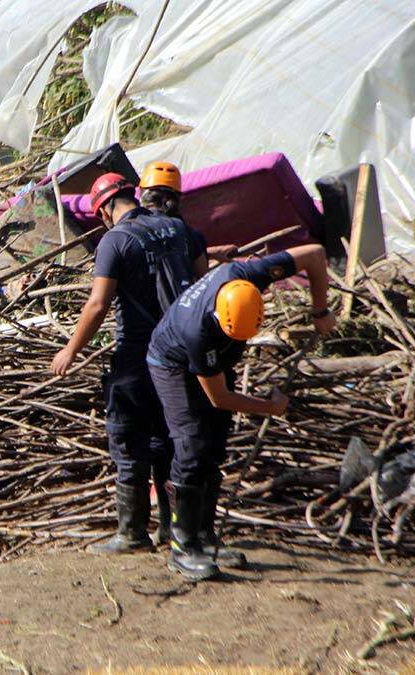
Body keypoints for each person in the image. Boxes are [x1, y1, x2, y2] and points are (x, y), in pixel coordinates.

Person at [146, 243, 336, 580]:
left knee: (214, 443)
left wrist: (320, 310)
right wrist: (270, 408)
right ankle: (182, 546)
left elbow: (316, 254)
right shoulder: (198, 331)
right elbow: (220, 397)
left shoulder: (252, 274)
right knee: (191, 444)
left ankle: (204, 537)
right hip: (170, 362)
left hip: (214, 360)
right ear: (218, 318)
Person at [50, 173, 207, 554]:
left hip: (137, 354)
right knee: (168, 440)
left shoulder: (114, 241)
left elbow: (99, 304)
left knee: (128, 437)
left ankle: (132, 533)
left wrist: (70, 350)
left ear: (104, 208)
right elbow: (203, 288)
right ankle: (176, 530)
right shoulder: (182, 231)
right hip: (178, 353)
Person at [139, 161, 239, 264]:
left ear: (141, 193)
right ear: (178, 198)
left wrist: (210, 253)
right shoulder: (189, 234)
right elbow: (202, 276)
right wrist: (208, 254)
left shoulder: (130, 231)